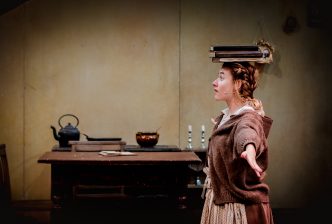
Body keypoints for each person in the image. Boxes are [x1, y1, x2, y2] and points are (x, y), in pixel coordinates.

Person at [200, 61, 274, 224]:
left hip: (238, 210)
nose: (214, 82)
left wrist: (249, 149)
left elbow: (247, 133)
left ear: (237, 84)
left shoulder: (248, 117)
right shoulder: (227, 117)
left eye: (221, 77)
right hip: (221, 203)